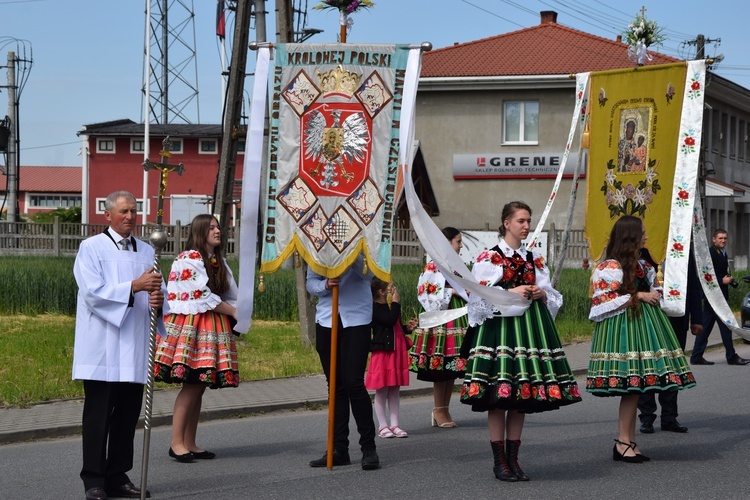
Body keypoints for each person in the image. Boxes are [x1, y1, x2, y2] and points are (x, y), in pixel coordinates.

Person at [461, 201, 582, 482]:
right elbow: (478, 297)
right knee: (497, 396)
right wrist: (510, 290)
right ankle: (499, 461)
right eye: (521, 221)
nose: (526, 226)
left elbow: (551, 293)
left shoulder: (534, 258)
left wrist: (541, 293)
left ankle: (514, 459)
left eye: (528, 221)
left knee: (520, 395)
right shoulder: (488, 258)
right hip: (500, 331)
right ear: (506, 223)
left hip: (529, 330)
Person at [73, 190, 166, 500]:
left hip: (135, 345)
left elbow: (157, 290)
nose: (130, 217)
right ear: (108, 215)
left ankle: (118, 474)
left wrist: (157, 299)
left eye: (134, 211)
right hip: (102, 345)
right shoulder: (91, 248)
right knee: (98, 415)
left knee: (127, 414)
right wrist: (135, 286)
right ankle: (94, 479)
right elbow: (92, 293)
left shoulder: (147, 251)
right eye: (124, 211)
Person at [587, 215, 696, 464]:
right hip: (624, 330)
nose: (646, 237)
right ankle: (624, 441)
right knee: (630, 388)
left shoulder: (643, 266)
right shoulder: (609, 268)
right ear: (630, 237)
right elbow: (600, 304)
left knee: (634, 390)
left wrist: (655, 293)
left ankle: (627, 441)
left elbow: (653, 289)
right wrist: (640, 296)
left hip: (644, 327)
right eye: (643, 233)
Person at [153, 214, 239, 463]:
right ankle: (176, 443)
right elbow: (200, 295)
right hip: (192, 328)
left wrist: (240, 307)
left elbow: (230, 292)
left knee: (199, 385)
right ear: (200, 232)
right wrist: (232, 311)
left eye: (218, 227)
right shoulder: (188, 258)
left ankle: (189, 441)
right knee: (191, 384)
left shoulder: (218, 260)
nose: (218, 231)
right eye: (211, 227)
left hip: (211, 326)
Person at [306, 254, 380, 470]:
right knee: (335, 386)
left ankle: (368, 447)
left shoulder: (362, 245)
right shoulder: (319, 247)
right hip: (327, 319)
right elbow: (311, 282)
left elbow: (370, 275)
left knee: (353, 382)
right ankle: (339, 449)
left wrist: (350, 256)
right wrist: (326, 284)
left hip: (356, 319)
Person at [638, 246, 702, 433]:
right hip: (649, 318)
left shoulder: (680, 246)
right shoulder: (643, 251)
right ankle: (647, 417)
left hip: (676, 319)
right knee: (649, 366)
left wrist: (697, 318)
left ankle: (669, 417)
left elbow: (693, 284)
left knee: (672, 368)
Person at [409, 227, 467, 428]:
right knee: (439, 364)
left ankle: (445, 408)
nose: (460, 246)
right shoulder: (433, 266)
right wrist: (455, 292)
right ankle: (438, 408)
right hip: (440, 320)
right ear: (447, 243)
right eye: (458, 241)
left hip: (457, 316)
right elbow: (426, 293)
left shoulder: (455, 265)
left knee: (452, 364)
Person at [366, 278, 417, 438]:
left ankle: (395, 425)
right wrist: (396, 302)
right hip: (383, 352)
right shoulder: (375, 307)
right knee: (382, 390)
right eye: (389, 288)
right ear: (381, 292)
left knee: (395, 389)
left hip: (396, 351)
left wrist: (406, 328)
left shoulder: (387, 307)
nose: (391, 291)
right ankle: (382, 426)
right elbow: (388, 322)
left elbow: (393, 326)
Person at [690, 229, 750, 366]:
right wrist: (721, 280)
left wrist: (727, 279)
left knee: (705, 328)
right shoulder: (710, 254)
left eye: (725, 238)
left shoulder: (722, 253)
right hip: (714, 297)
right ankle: (731, 356)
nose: (723, 241)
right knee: (725, 327)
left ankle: (696, 356)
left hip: (719, 296)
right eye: (720, 238)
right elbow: (705, 274)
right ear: (713, 240)